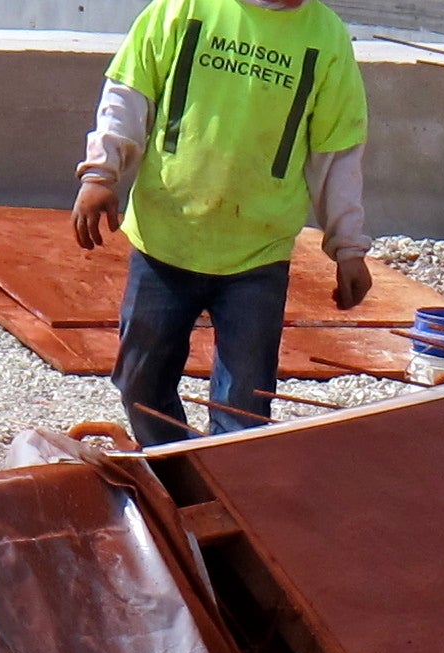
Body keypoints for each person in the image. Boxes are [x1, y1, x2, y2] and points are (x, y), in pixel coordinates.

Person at [70, 0, 373, 447]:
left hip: (256, 259)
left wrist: (348, 247)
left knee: (243, 412)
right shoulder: (185, 8)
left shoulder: (326, 37)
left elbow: (336, 153)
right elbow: (130, 93)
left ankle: (222, 493)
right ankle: (175, 473)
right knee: (141, 385)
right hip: (165, 243)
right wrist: (100, 173)